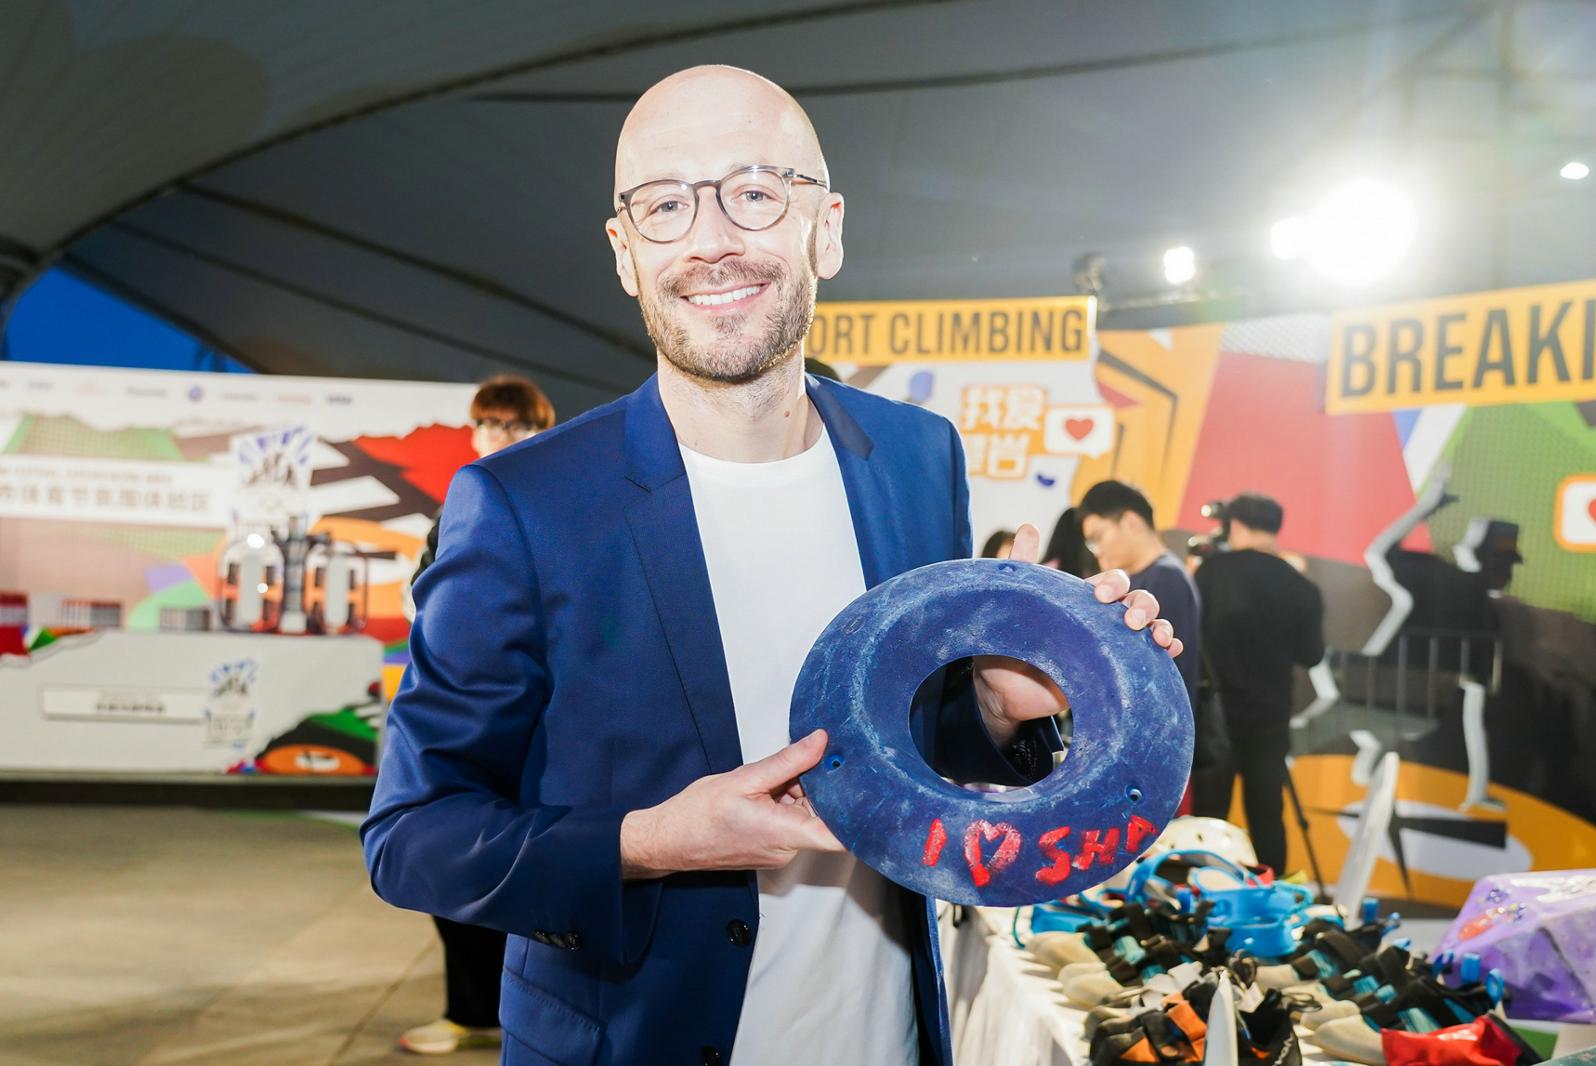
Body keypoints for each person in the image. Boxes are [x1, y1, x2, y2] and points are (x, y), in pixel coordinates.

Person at [362, 65, 1179, 1066]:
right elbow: (414, 835)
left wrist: (997, 708)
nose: (709, 240)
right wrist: (647, 842)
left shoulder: (917, 458)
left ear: (825, 229)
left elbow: (909, 758)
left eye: (753, 191)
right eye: (666, 204)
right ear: (625, 253)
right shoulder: (525, 505)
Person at [398, 373, 555, 1056]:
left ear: (542, 430)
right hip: (467, 715)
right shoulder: (461, 504)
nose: (501, 437)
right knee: (454, 857)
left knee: (536, 868)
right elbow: (428, 602)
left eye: (517, 425)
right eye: (490, 424)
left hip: (545, 722)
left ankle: (520, 1010)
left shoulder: (567, 498)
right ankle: (469, 1010)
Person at [1191, 493, 1324, 874]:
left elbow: (1190, 634)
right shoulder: (1301, 587)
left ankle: (1202, 893)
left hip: (1216, 717)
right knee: (1267, 815)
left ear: (1234, 524)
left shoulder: (1211, 573)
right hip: (1270, 717)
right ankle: (1270, 891)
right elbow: (1312, 655)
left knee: (1208, 818)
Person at [1077, 481, 1203, 726]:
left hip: (1154, 726)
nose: (1096, 551)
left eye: (1097, 538)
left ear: (1131, 522)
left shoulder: (1165, 578)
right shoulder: (1151, 576)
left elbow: (1154, 674)